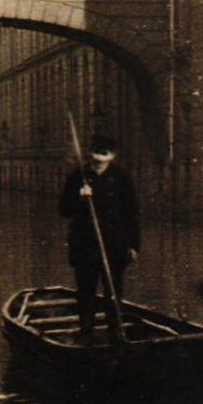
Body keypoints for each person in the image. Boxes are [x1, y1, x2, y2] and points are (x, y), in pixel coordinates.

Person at [58, 135, 141, 345]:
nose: (98, 159)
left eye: (103, 155)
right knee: (86, 292)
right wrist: (80, 197)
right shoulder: (78, 176)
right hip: (85, 246)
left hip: (115, 245)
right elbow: (63, 210)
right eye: (95, 154)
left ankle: (116, 333)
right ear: (89, 154)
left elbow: (132, 213)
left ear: (111, 156)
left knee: (114, 291)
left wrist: (133, 245)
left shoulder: (122, 178)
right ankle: (86, 334)